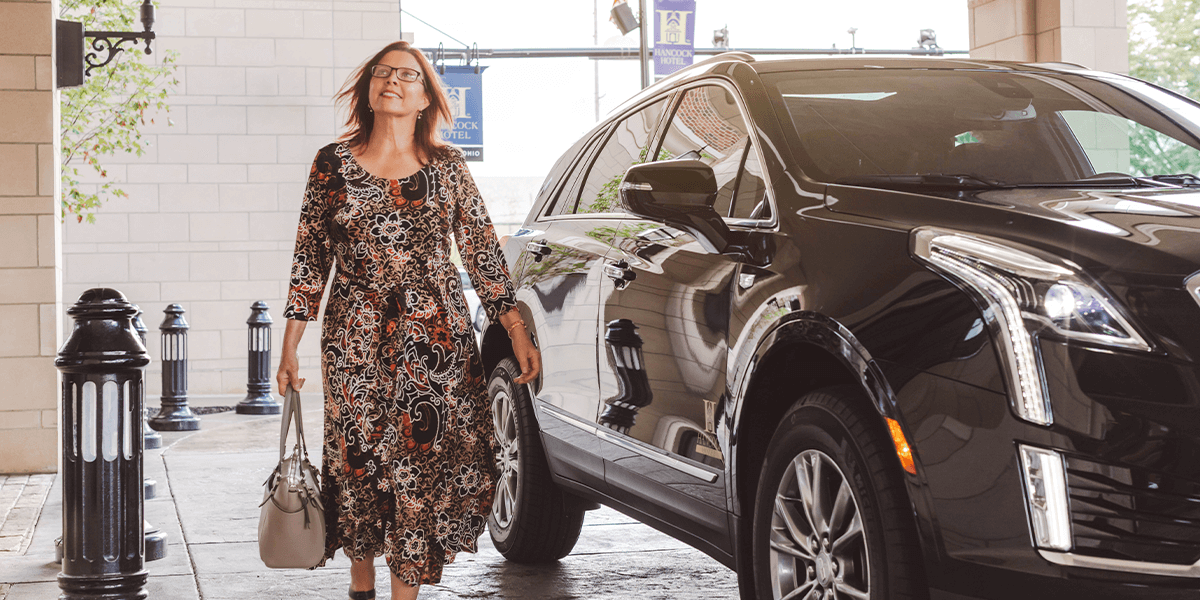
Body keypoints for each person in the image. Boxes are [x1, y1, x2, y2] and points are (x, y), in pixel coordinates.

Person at [275, 41, 541, 600]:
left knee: (419, 466)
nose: (391, 80)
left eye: (406, 75)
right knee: (359, 459)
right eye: (381, 72)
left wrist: (515, 328)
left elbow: (481, 252)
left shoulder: (448, 166)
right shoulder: (331, 163)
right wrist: (290, 346)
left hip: (435, 340)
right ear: (368, 89)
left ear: (426, 98)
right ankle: (361, 580)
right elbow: (309, 260)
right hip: (354, 339)